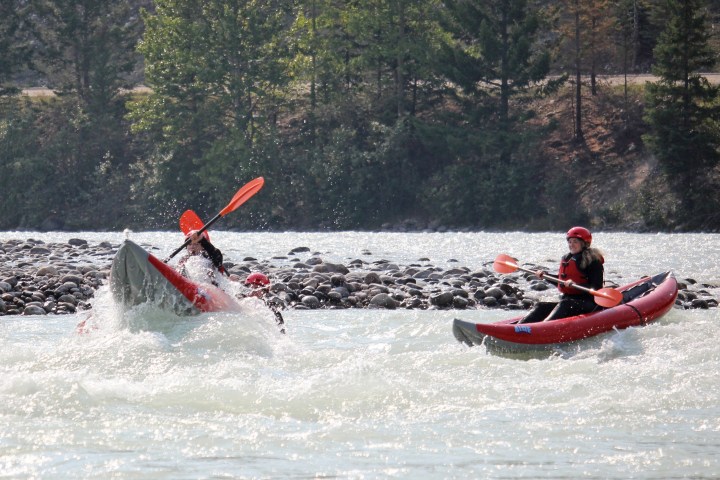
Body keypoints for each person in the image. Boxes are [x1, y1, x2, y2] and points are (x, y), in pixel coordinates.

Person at [520, 226, 605, 323]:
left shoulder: (593, 261)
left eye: (575, 242)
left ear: (584, 244)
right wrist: (545, 276)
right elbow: (560, 282)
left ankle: (544, 328)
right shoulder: (567, 258)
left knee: (566, 304)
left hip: (588, 303)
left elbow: (597, 287)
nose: (571, 245)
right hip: (569, 301)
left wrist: (575, 285)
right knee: (541, 305)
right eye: (570, 242)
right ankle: (519, 327)